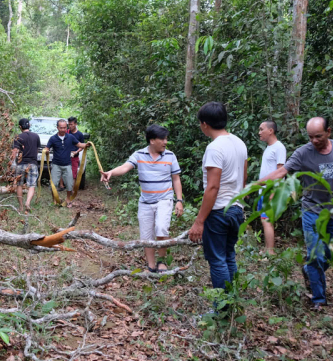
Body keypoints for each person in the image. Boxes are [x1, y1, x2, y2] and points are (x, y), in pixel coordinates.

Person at [258, 117, 333, 310]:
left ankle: (309, 271)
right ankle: (319, 299)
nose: (314, 141)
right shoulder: (303, 153)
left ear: (329, 132)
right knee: (315, 254)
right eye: (310, 137)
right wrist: (254, 185)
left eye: (318, 136)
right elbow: (282, 171)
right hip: (312, 210)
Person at [100, 125, 183, 272]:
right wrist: (111, 172)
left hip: (165, 199)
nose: (165, 142)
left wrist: (179, 201)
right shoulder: (139, 154)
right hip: (145, 201)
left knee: (161, 228)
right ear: (152, 140)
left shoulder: (170, 155)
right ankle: (151, 266)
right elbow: (125, 167)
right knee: (146, 235)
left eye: (166, 139)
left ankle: (162, 262)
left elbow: (176, 179)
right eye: (162, 139)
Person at [188, 102, 248, 305]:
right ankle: (232, 303)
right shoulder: (240, 143)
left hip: (219, 211)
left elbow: (213, 187)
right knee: (229, 256)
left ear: (204, 124)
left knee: (218, 260)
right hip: (236, 209)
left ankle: (222, 310)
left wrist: (199, 221)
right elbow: (243, 178)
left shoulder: (214, 148)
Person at [257, 121, 287, 255]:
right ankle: (267, 249)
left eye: (261, 129)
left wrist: (274, 192)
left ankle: (270, 251)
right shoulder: (269, 148)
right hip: (263, 191)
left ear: (271, 131)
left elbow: (281, 172)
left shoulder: (279, 147)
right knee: (264, 221)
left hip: (271, 191)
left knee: (267, 220)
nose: (259, 132)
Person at [44, 119, 87, 207]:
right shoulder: (53, 138)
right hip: (56, 165)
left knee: (69, 184)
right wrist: (46, 151)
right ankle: (55, 200)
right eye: (61, 128)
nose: (63, 129)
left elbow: (79, 144)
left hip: (67, 164)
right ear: (57, 128)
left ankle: (68, 200)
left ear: (66, 127)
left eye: (64, 127)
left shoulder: (70, 137)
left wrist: (87, 145)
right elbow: (47, 148)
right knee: (53, 184)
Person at [10, 118, 40, 213]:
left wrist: (11, 163)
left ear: (20, 127)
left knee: (19, 185)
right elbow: (37, 149)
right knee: (32, 185)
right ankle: (28, 202)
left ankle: (21, 207)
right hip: (33, 164)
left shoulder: (18, 137)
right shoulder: (36, 136)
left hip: (21, 164)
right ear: (29, 125)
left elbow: (15, 151)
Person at [68, 117, 85, 182]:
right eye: (69, 124)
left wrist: (76, 151)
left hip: (74, 157)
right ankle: (61, 186)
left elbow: (82, 146)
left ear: (75, 124)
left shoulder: (80, 134)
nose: (70, 126)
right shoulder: (66, 132)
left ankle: (72, 190)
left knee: (73, 174)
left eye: (71, 124)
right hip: (65, 156)